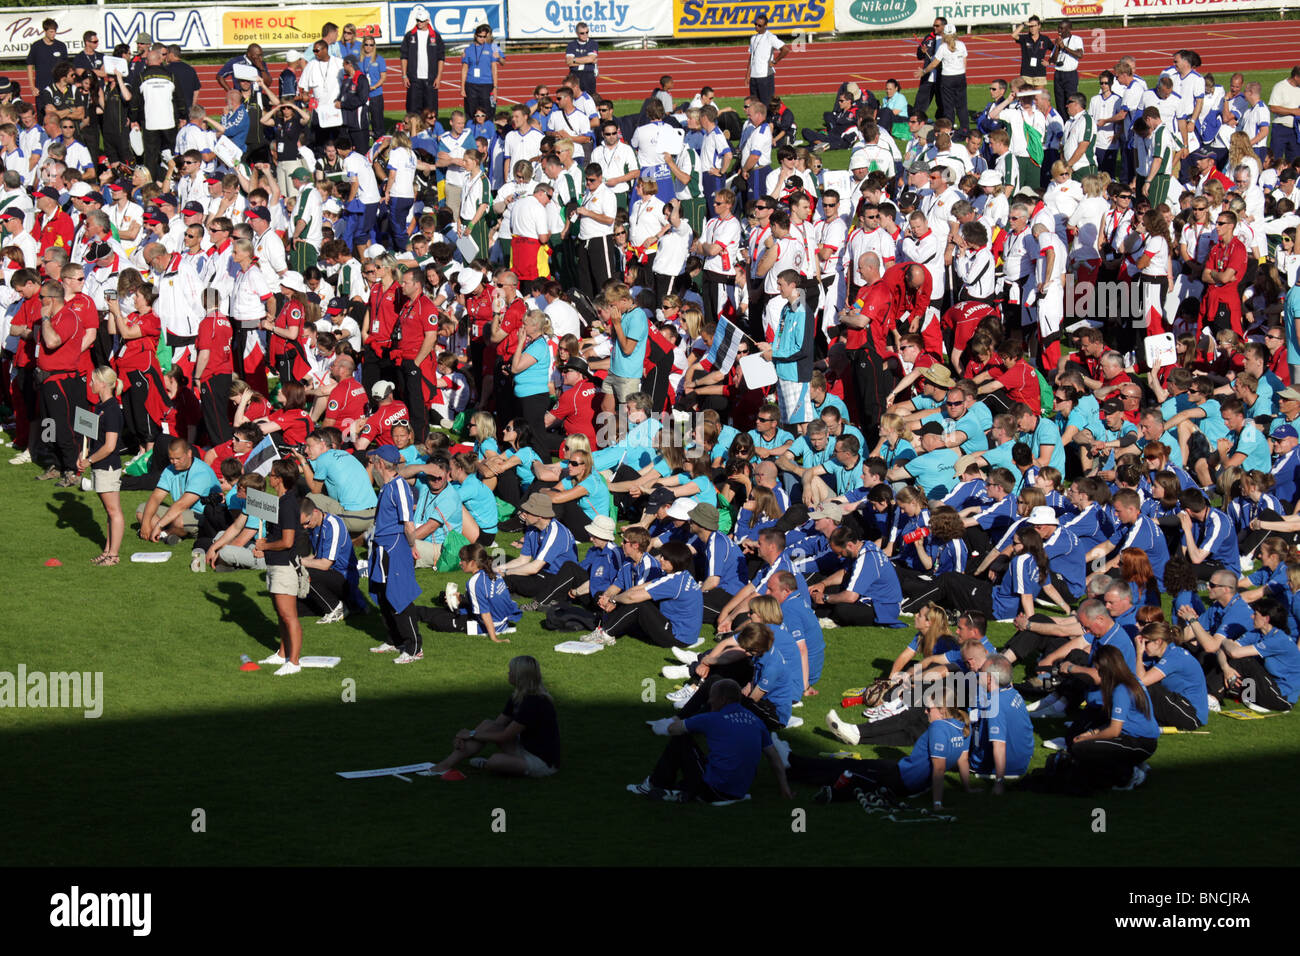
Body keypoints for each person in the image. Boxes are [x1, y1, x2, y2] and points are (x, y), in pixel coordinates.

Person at [634, 676, 792, 803]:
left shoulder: (712, 718)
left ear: (722, 699)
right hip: (739, 791)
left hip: (714, 789)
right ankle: (682, 792)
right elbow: (773, 756)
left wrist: (692, 726)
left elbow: (672, 729)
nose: (709, 701)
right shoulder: (755, 721)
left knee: (681, 741)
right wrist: (784, 789)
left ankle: (655, 784)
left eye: (712, 697)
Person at [427, 656, 560, 780]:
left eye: (511, 671)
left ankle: (487, 764)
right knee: (487, 724)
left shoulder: (534, 702)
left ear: (520, 677)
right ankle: (445, 765)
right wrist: (464, 737)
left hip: (541, 762)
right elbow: (495, 725)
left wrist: (471, 734)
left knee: (495, 761)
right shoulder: (518, 695)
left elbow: (504, 736)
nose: (508, 673)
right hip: (525, 747)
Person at [366, 445, 425, 664]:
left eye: (374, 460)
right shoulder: (387, 485)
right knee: (382, 594)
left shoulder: (398, 487)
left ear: (381, 463)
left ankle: (414, 647)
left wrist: (411, 546)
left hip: (394, 547)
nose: (372, 464)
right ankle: (394, 639)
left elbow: (408, 524)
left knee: (399, 596)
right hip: (382, 547)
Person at [253, 460, 309, 677]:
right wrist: (264, 546)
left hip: (284, 565)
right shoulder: (282, 501)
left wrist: (265, 546)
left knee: (288, 616)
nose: (269, 477)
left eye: (272, 474)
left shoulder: (286, 504)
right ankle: (283, 653)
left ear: (280, 479)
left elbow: (287, 541)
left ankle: (294, 662)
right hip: (276, 562)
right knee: (280, 613)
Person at [414, 543, 521, 642]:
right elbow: (493, 600)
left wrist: (494, 638)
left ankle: (410, 613)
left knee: (437, 621)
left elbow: (485, 613)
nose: (460, 563)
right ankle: (411, 611)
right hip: (501, 619)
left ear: (473, 563)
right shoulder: (494, 573)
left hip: (488, 625)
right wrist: (462, 599)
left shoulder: (474, 582)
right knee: (440, 605)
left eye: (463, 560)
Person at [78, 367, 125, 567]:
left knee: (113, 510)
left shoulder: (113, 409)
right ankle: (108, 550)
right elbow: (90, 437)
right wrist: (83, 454)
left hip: (107, 466)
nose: (90, 384)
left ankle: (113, 555)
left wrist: (89, 460)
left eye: (93, 381)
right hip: (99, 464)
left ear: (103, 384)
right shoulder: (99, 407)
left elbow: (110, 446)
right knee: (109, 510)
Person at [746, 14, 789, 108]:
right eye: (755, 24)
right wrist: (748, 74)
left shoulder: (770, 37)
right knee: (754, 104)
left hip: (765, 76)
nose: (756, 27)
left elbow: (785, 50)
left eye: (759, 25)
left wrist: (775, 61)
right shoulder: (753, 38)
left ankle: (767, 122)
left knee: (766, 104)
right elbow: (751, 56)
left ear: (765, 26)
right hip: (754, 76)